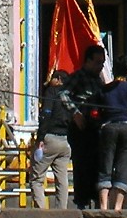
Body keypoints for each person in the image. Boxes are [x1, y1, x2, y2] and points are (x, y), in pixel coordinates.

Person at [97, 55, 127, 210]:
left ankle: (104, 206)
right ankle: (117, 207)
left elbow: (95, 113)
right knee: (125, 166)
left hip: (108, 127)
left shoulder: (104, 90)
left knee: (105, 166)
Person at [65, 44, 106, 209]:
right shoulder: (78, 77)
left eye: (102, 64)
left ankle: (95, 201)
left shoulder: (98, 80)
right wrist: (76, 114)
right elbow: (63, 94)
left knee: (96, 166)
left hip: (96, 129)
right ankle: (81, 202)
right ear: (88, 61)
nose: (100, 67)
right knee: (81, 166)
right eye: (97, 63)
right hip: (81, 129)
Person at [28, 69, 74, 208]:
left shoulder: (52, 92)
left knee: (37, 178)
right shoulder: (71, 96)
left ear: (59, 79)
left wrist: (40, 138)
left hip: (50, 138)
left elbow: (46, 115)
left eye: (53, 78)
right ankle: (62, 212)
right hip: (65, 141)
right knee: (62, 179)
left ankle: (42, 212)